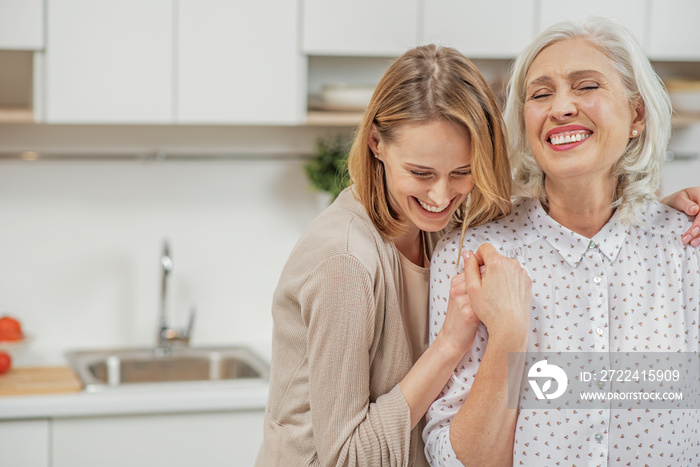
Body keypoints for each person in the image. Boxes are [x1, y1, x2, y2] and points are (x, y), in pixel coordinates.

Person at [424, 18, 700, 466]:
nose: (561, 107)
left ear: (637, 114)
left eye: (586, 86)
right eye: (540, 93)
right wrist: (508, 341)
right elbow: (452, 460)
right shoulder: (472, 258)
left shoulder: (686, 248)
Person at [256, 44, 531, 466]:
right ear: (376, 144)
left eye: (461, 172)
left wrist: (656, 212)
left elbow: (543, 213)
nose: (441, 196)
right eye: (421, 173)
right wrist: (449, 344)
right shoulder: (344, 263)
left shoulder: (438, 228)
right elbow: (345, 459)